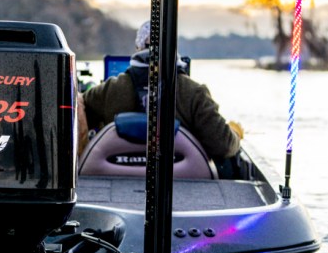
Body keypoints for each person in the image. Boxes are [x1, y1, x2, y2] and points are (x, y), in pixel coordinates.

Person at [79, 20, 242, 163]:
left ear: (138, 48)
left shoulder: (109, 90)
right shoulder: (195, 93)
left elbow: (78, 116)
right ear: (173, 47)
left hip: (115, 177)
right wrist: (235, 133)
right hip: (180, 180)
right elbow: (224, 146)